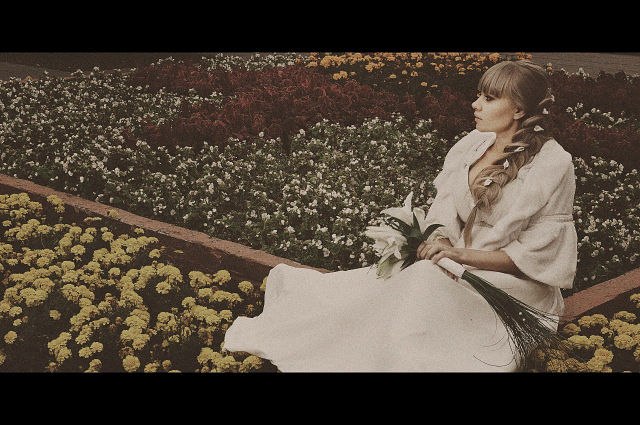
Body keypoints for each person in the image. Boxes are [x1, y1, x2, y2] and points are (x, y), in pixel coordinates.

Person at [223, 59, 578, 372]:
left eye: (489, 98)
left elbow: (538, 256)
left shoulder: (552, 164)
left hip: (511, 288)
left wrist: (461, 256)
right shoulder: (473, 144)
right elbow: (445, 209)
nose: (476, 105)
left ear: (518, 110)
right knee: (379, 288)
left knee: (419, 283)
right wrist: (440, 241)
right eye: (478, 95)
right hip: (453, 266)